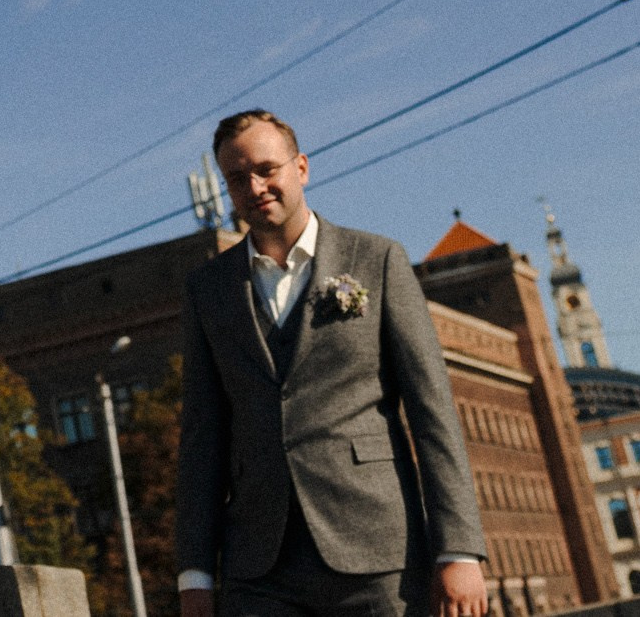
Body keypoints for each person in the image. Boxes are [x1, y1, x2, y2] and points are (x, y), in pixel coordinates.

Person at [174, 109, 491, 617]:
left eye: (267, 169)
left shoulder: (377, 260)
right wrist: (194, 574)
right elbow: (201, 439)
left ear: (301, 168)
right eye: (238, 178)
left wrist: (459, 549)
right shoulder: (207, 291)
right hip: (258, 568)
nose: (255, 186)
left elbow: (433, 414)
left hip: (377, 552)